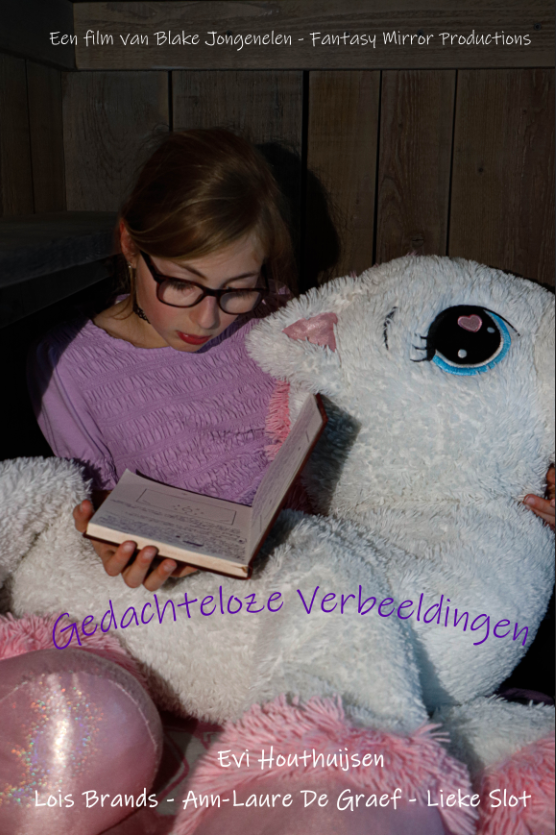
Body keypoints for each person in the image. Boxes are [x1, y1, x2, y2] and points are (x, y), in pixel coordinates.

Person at [28, 129, 555, 596]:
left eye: (236, 289)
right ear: (129, 243)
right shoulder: (68, 367)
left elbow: (408, 411)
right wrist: (114, 550)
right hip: (207, 595)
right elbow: (97, 511)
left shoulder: (276, 316)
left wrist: (531, 475)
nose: (208, 317)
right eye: (182, 284)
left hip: (346, 553)